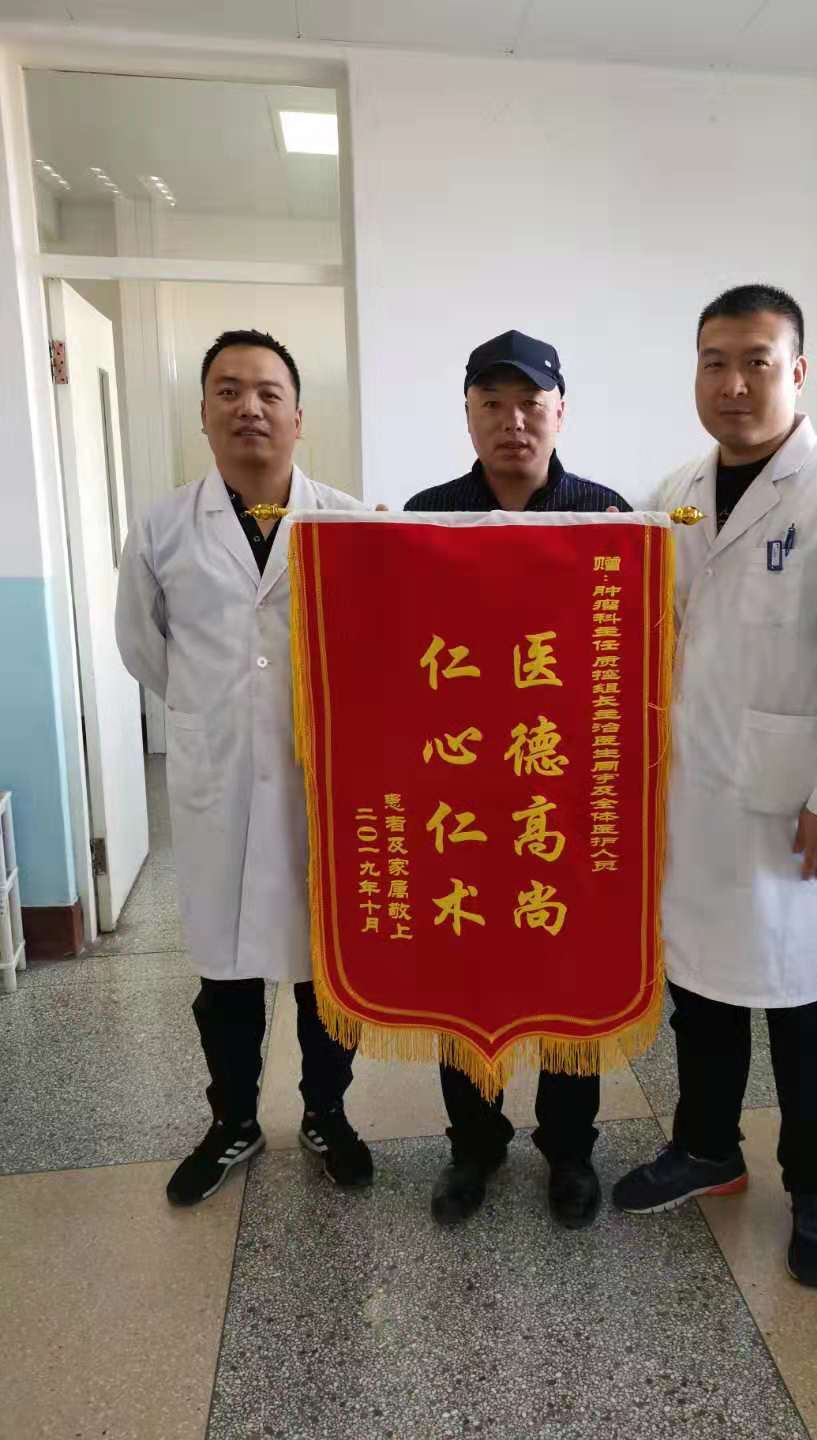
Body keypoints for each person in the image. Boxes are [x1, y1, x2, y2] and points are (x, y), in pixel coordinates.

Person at [612, 285, 817, 1287]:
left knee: (803, 1010)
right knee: (701, 994)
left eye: (757, 361)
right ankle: (707, 1147)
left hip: (795, 807)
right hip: (693, 799)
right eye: (715, 362)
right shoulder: (679, 491)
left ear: (798, 371)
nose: (734, 384)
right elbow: (641, 621)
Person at [116, 329, 374, 1205]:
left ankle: (327, 1114)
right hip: (217, 777)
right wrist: (218, 711)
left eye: (268, 392)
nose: (249, 408)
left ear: (299, 416)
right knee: (223, 973)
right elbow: (143, 645)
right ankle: (232, 1121)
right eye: (228, 391)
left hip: (319, 783)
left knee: (323, 971)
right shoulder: (163, 527)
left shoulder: (350, 523)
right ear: (203, 413)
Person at [406, 328, 631, 1230]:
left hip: (565, 792)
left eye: (531, 404)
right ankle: (474, 1143)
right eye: (491, 404)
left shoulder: (608, 516)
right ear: (467, 415)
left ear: (560, 411)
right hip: (463, 793)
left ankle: (570, 1150)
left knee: (570, 974)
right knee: (467, 968)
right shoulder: (425, 517)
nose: (513, 422)